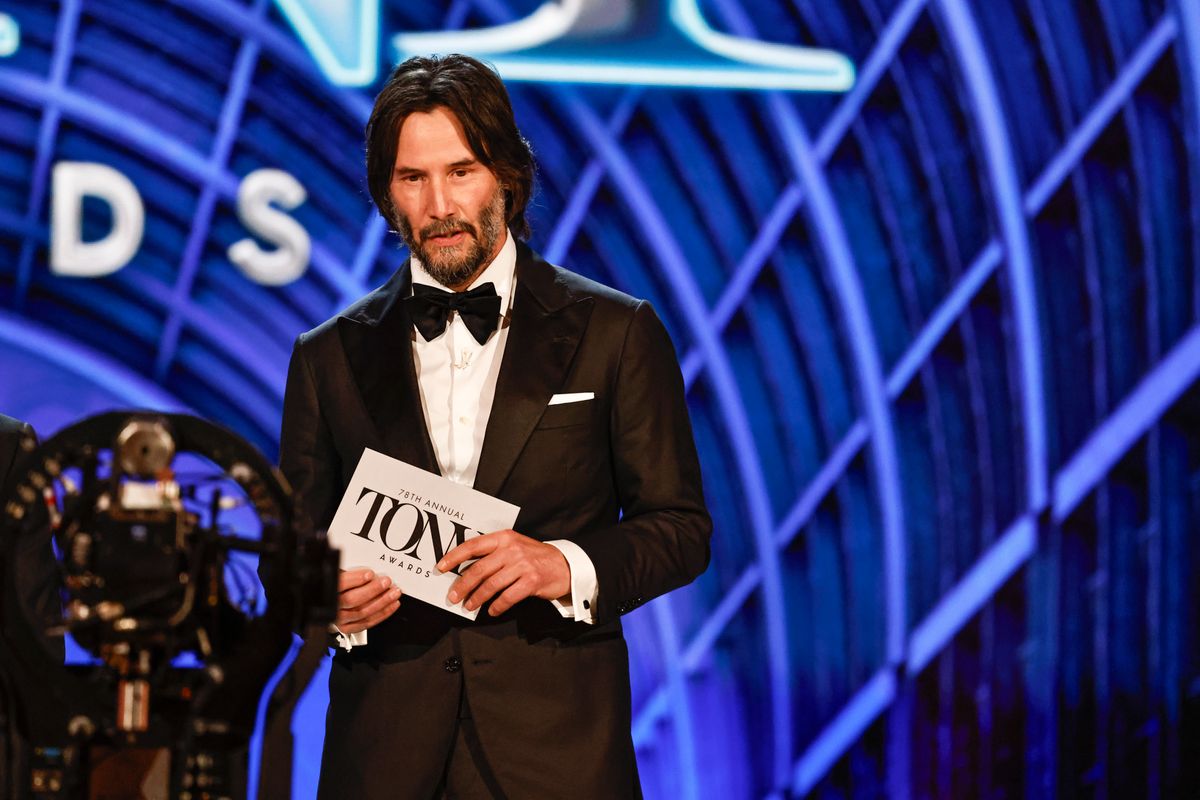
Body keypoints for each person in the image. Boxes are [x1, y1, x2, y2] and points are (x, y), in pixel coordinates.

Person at [279, 54, 711, 799]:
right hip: (381, 760)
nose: (439, 205)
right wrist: (325, 600)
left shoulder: (615, 332)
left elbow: (680, 528)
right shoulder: (326, 356)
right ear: (386, 194)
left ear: (507, 176)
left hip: (559, 760)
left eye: (462, 172)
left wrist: (561, 565)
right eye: (412, 178)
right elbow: (288, 553)